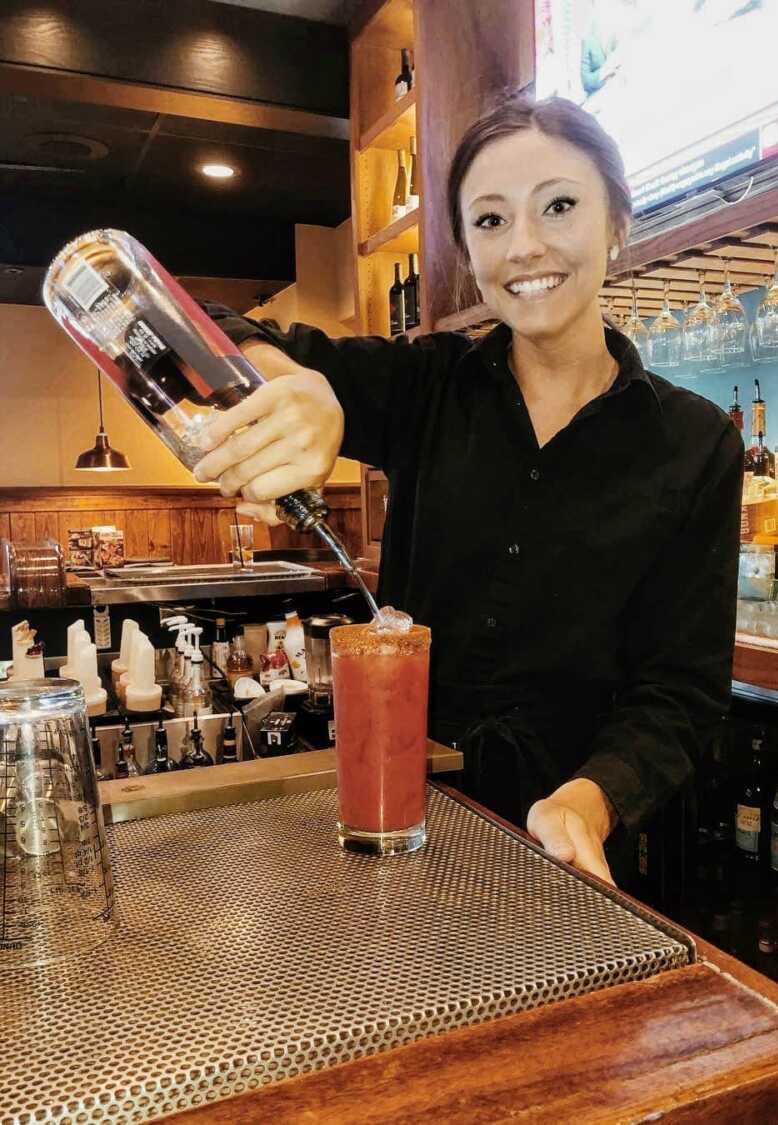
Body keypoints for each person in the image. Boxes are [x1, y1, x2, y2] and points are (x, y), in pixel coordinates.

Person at [194, 95, 743, 887]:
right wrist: (300, 389)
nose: (524, 246)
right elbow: (215, 327)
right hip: (403, 821)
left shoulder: (694, 442)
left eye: (558, 205)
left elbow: (681, 690)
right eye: (490, 221)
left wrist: (592, 799)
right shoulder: (428, 383)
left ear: (617, 223)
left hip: (571, 851)